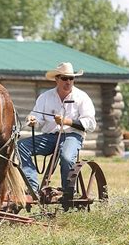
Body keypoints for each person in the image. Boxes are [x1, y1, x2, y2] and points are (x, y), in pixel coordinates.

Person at [17, 62, 96, 194]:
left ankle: (67, 191)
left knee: (66, 157)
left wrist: (67, 121)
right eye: (65, 78)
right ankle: (32, 187)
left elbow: (91, 123)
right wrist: (32, 120)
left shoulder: (82, 97)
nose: (69, 81)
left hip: (72, 136)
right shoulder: (45, 97)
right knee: (20, 146)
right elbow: (37, 117)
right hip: (50, 137)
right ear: (57, 79)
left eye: (71, 78)